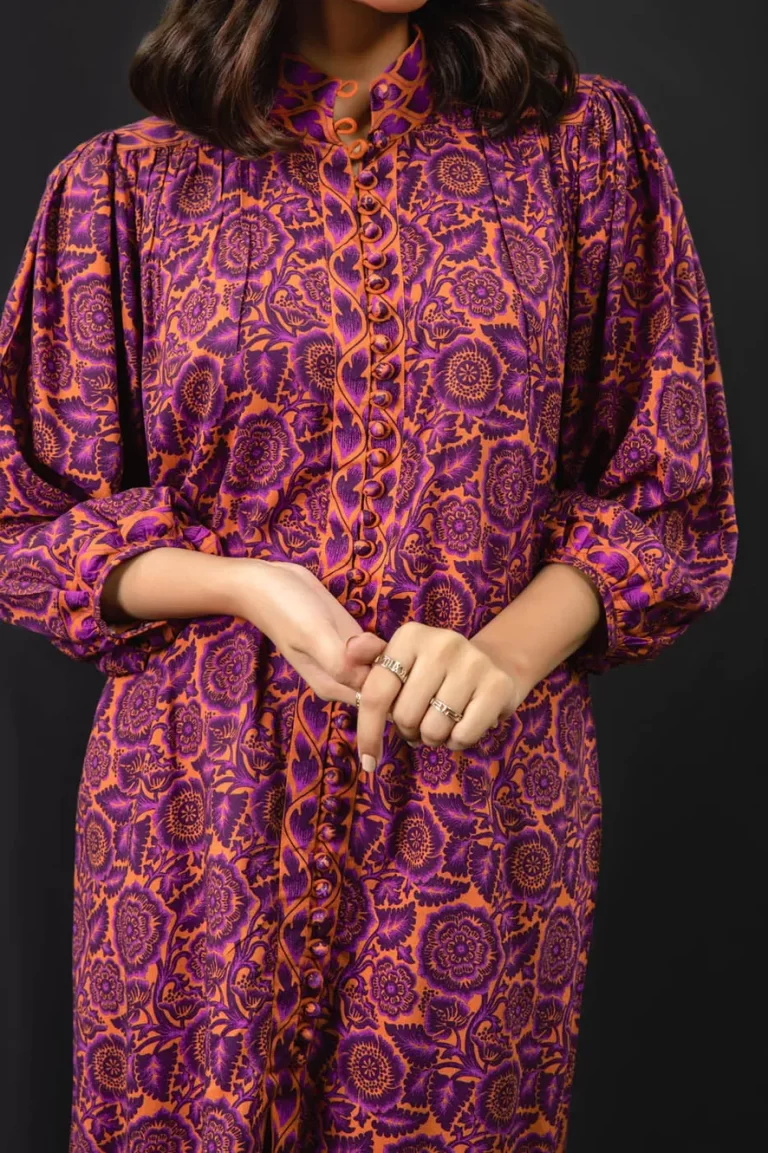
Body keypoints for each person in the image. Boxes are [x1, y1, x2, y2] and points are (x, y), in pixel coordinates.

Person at [0, 0, 738, 1150]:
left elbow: (669, 497)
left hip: (476, 802)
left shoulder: (580, 148)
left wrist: (503, 654)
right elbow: (27, 518)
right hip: (193, 810)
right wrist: (248, 586)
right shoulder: (124, 187)